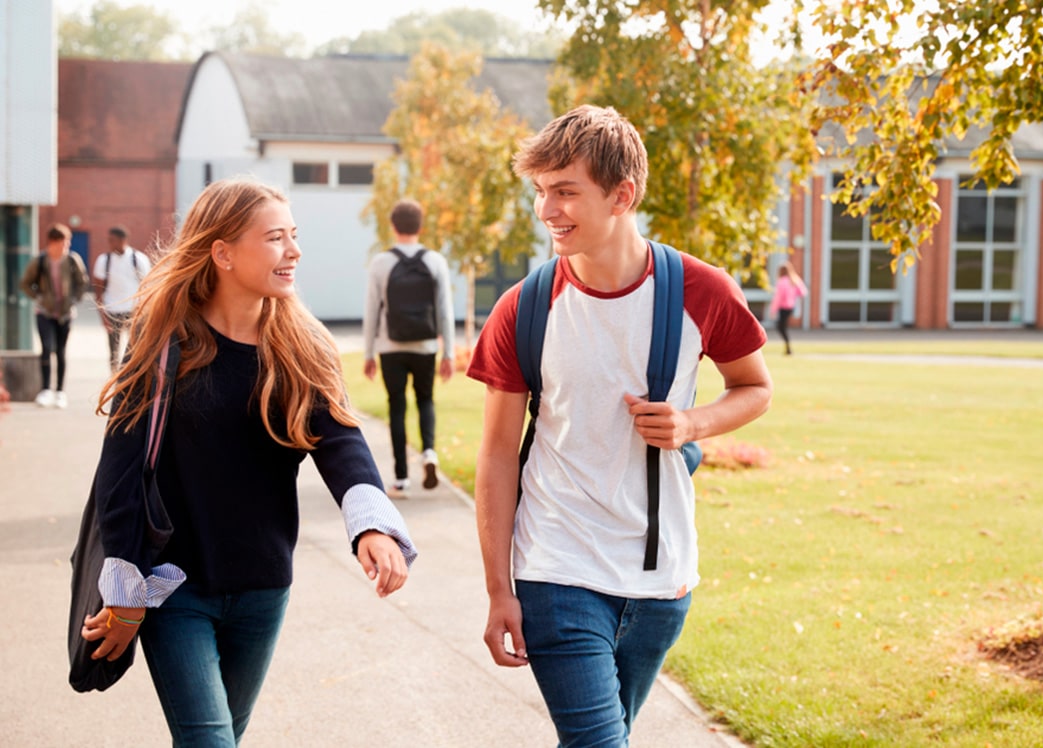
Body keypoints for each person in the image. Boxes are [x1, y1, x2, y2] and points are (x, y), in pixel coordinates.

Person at [467, 105, 774, 747]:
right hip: (556, 566)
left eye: (565, 192)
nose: (547, 210)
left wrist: (693, 422)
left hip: (661, 582)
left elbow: (754, 388)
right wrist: (500, 589)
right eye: (540, 193)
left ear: (622, 195)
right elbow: (496, 456)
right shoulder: (523, 308)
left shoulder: (701, 292)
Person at [80, 177, 418, 746]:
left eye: (294, 236)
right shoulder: (163, 346)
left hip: (263, 589)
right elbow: (119, 478)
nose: (295, 251)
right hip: (176, 588)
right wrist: (126, 594)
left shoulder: (298, 345)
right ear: (223, 254)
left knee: (220, 737)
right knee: (211, 740)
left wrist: (372, 527)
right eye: (276, 238)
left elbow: (339, 439)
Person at [363, 199, 455, 493]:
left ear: (393, 226)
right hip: (426, 346)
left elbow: (371, 311)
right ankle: (429, 451)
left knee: (397, 407)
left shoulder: (380, 262)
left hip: (391, 347)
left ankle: (401, 478)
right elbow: (445, 311)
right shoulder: (435, 261)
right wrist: (449, 353)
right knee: (425, 400)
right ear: (421, 226)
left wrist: (368, 353)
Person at [18, 223, 90, 409]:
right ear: (52, 242)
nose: (65, 245)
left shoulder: (72, 260)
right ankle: (45, 390)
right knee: (46, 348)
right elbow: (25, 283)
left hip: (66, 313)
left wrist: (74, 300)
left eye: (68, 242)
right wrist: (39, 297)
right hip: (44, 312)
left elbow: (82, 282)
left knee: (61, 350)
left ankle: (60, 391)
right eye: (63, 242)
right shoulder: (40, 261)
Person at [92, 225, 152, 372]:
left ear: (123, 240)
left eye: (112, 240)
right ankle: (115, 380)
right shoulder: (103, 260)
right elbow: (98, 291)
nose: (109, 243)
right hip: (112, 310)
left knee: (136, 348)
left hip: (134, 311)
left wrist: (145, 312)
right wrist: (103, 316)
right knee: (113, 350)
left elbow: (148, 287)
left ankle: (133, 377)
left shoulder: (139, 259)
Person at [769, 262, 807, 355]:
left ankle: (788, 347)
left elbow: (778, 297)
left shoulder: (781, 282)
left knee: (781, 327)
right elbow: (803, 292)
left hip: (783, 307)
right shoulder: (794, 280)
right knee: (782, 327)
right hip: (791, 307)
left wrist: (773, 310)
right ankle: (788, 347)